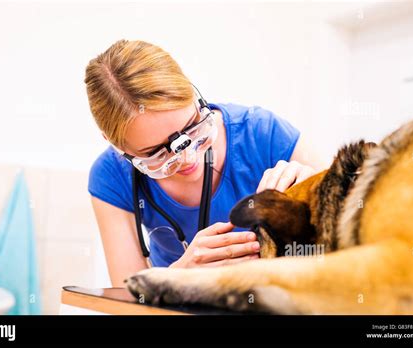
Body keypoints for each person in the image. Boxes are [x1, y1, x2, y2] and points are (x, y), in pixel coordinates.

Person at [85, 39, 325, 286]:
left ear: (194, 95)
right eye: (157, 152)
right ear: (116, 145)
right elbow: (126, 300)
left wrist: (317, 193)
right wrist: (177, 276)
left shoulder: (264, 134)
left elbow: (350, 248)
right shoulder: (111, 176)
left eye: (192, 127)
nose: (188, 157)